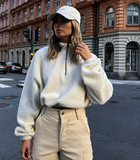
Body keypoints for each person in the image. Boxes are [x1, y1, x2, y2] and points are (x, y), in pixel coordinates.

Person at [15, 5, 113, 160]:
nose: (58, 25)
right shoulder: (42, 55)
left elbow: (102, 96)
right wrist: (25, 135)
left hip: (76, 123)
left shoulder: (88, 58)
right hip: (46, 122)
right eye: (56, 21)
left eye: (64, 21)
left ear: (74, 25)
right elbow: (29, 96)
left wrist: (89, 62)